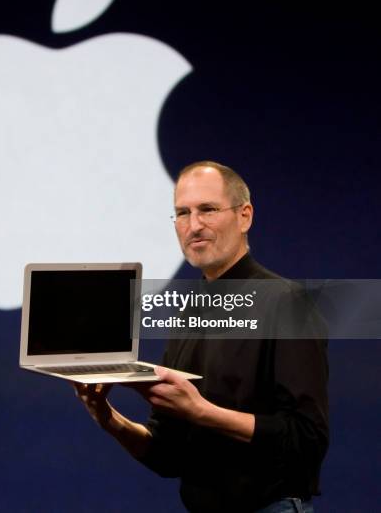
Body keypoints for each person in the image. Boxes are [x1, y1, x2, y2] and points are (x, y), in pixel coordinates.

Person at [74, 161, 329, 513]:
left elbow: (307, 440)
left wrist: (202, 412)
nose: (194, 226)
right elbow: (167, 456)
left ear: (245, 216)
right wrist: (107, 417)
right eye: (182, 213)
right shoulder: (189, 313)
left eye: (208, 209)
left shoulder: (286, 302)